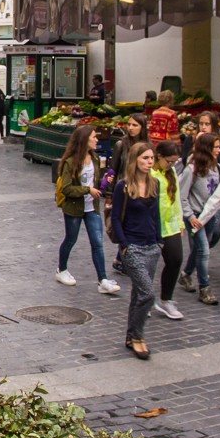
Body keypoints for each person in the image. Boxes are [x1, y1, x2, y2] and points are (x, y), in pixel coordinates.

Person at [53, 125, 120, 294]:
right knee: (70, 239)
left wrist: (104, 182)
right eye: (93, 137)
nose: (97, 139)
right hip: (74, 208)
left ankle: (102, 279)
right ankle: (61, 270)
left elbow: (95, 184)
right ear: (84, 140)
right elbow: (66, 189)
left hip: (92, 207)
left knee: (97, 243)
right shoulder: (70, 162)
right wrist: (87, 190)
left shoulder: (95, 159)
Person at [110, 143, 161, 360]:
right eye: (145, 158)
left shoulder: (155, 183)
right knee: (147, 294)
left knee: (138, 294)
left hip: (152, 247)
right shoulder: (124, 186)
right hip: (133, 247)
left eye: (151, 158)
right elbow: (115, 218)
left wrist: (159, 241)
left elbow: (156, 215)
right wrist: (124, 245)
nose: (150, 162)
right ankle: (139, 337)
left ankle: (131, 336)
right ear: (135, 160)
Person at [179, 132, 220, 305]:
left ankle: (186, 273)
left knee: (201, 248)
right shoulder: (191, 169)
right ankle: (205, 288)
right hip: (195, 216)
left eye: (219, 147)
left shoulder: (217, 168)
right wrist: (189, 216)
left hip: (210, 214)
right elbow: (182, 195)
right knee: (204, 249)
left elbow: (217, 190)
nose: (219, 150)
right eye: (216, 147)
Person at [106, 113, 149, 273]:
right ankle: (123, 256)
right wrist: (109, 193)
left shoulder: (147, 145)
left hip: (142, 189)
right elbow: (112, 170)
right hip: (123, 190)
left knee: (136, 223)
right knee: (124, 223)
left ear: (142, 128)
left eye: (135, 125)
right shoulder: (121, 145)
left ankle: (123, 258)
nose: (130, 128)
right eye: (129, 124)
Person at [152, 140, 187, 320]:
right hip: (152, 226)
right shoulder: (150, 173)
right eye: (169, 161)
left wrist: (180, 223)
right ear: (159, 156)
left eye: (175, 162)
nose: (172, 165)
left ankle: (167, 299)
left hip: (171, 225)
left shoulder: (171, 172)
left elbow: (177, 200)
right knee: (148, 265)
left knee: (175, 260)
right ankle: (145, 299)